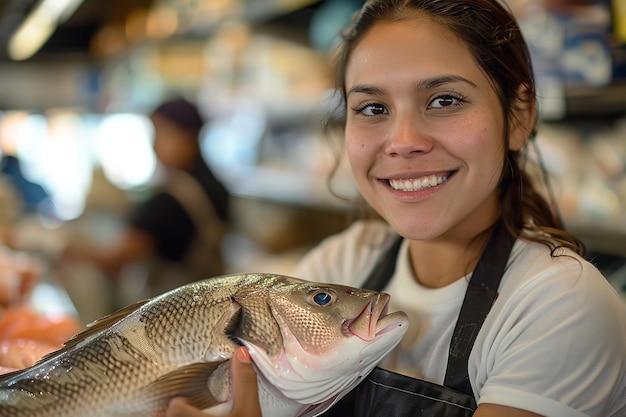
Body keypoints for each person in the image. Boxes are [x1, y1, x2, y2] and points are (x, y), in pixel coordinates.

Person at [165, 0, 626, 416]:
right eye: (372, 108)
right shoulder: (349, 260)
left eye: (444, 100)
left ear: (518, 116)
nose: (404, 142)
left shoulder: (558, 305)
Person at [64, 98, 230, 306]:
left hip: (174, 309)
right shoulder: (215, 186)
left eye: (160, 132)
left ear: (187, 135)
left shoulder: (171, 200)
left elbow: (116, 260)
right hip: (212, 302)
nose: (154, 145)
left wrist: (65, 248)